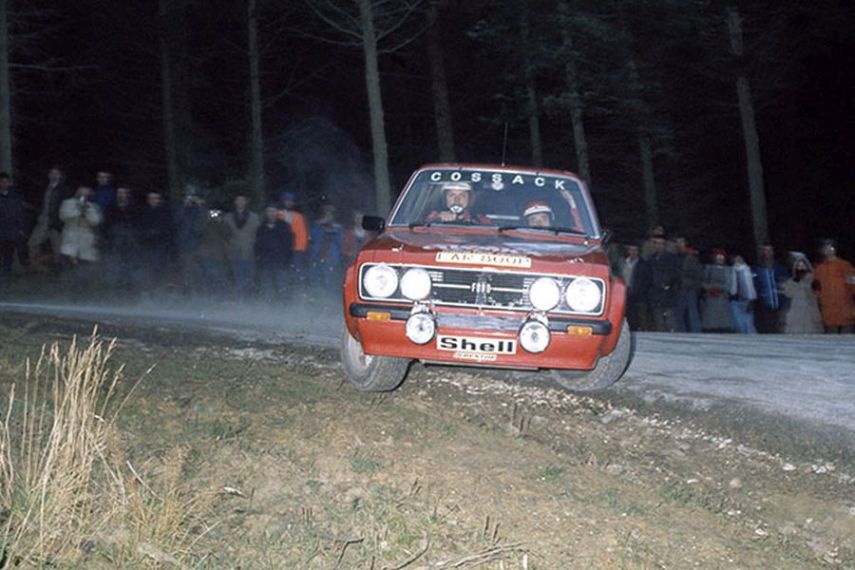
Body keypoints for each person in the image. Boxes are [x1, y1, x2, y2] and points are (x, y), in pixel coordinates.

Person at [27, 166, 70, 268]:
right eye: (52, 173)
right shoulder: (43, 188)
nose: (54, 175)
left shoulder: (64, 189)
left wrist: (62, 222)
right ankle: (36, 265)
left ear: (60, 176)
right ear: (48, 175)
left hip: (57, 223)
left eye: (56, 173)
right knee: (32, 243)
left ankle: (60, 271)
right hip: (43, 220)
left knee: (58, 249)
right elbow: (39, 203)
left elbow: (66, 207)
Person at [813, 239, 855, 333]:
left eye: (831, 247)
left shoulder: (845, 266)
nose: (829, 250)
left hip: (845, 309)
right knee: (831, 341)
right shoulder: (819, 269)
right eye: (826, 247)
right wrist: (821, 297)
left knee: (848, 341)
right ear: (822, 250)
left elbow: (853, 284)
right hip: (828, 311)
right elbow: (816, 287)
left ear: (835, 249)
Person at [103, 186, 140, 290]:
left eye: (123, 192)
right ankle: (116, 286)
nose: (121, 195)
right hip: (115, 241)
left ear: (127, 194)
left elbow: (138, 223)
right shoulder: (111, 207)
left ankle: (131, 286)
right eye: (119, 192)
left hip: (131, 242)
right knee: (116, 264)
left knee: (131, 265)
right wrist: (109, 235)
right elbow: (107, 224)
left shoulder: (134, 207)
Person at [137, 191, 174, 289]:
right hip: (147, 245)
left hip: (161, 246)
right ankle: (149, 289)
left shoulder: (164, 212)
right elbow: (140, 228)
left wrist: (158, 233)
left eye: (155, 198)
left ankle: (160, 288)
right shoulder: (143, 212)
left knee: (161, 268)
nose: (153, 200)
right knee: (148, 268)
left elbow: (168, 228)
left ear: (159, 200)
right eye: (151, 198)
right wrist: (147, 234)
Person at [255, 205, 292, 300]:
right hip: (266, 262)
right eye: (269, 211)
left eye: (273, 211)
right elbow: (258, 245)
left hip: (281, 262)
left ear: (277, 213)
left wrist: (285, 258)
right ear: (266, 213)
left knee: (282, 287)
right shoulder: (261, 228)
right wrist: (259, 258)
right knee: (267, 288)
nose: (271, 214)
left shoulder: (284, 226)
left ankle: (284, 308)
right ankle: (268, 309)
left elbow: (288, 244)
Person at [224, 194, 260, 295]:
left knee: (250, 275)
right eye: (238, 200)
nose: (240, 202)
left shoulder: (254, 217)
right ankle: (239, 297)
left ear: (246, 202)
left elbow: (258, 234)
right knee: (237, 276)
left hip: (249, 251)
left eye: (242, 200)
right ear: (235, 202)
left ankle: (250, 297)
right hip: (234, 251)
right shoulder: (228, 217)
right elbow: (224, 235)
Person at [780, 252, 823, 334]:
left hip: (810, 311)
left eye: (803, 265)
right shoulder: (792, 281)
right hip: (796, 311)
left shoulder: (813, 279)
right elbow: (787, 293)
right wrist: (794, 282)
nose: (801, 268)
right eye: (799, 266)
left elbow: (817, 292)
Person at [59, 186, 103, 264]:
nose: (83, 197)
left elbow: (96, 221)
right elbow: (64, 216)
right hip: (70, 243)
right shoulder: (68, 203)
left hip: (86, 245)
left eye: (86, 195)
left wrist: (87, 210)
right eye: (81, 194)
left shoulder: (92, 206)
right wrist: (79, 210)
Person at [647, 234, 681, 332]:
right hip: (655, 291)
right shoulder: (651, 259)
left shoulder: (671, 258)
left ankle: (672, 332)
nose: (659, 246)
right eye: (656, 243)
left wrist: (668, 283)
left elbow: (675, 273)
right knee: (658, 317)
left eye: (661, 244)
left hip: (667, 291)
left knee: (670, 316)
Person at [752, 244, 787, 333]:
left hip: (780, 303)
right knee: (767, 328)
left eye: (770, 250)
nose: (767, 253)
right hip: (763, 305)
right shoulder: (757, 269)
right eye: (765, 250)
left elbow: (786, 284)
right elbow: (755, 287)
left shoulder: (780, 268)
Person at [308, 202, 343, 290]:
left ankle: (328, 298)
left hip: (330, 258)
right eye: (326, 214)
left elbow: (341, 243)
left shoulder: (338, 228)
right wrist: (322, 226)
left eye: (330, 214)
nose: (328, 216)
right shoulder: (316, 225)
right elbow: (312, 237)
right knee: (314, 281)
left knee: (329, 281)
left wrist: (333, 231)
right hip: (316, 256)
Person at [277, 192, 309, 286]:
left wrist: (304, 247)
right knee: (283, 271)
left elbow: (303, 233)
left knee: (297, 272)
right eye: (287, 201)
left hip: (298, 249)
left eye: (291, 201)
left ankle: (297, 292)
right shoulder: (278, 214)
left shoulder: (299, 216)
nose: (289, 203)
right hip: (283, 249)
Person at [674, 236, 703, 333]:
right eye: (677, 242)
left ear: (685, 243)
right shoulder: (674, 256)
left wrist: (697, 287)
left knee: (693, 313)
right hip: (678, 288)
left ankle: (696, 332)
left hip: (690, 288)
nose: (679, 244)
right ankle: (681, 333)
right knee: (679, 314)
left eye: (681, 242)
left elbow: (698, 273)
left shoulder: (692, 257)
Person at [701, 249, 734, 332]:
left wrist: (722, 289)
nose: (720, 259)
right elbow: (703, 282)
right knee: (711, 316)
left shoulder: (728, 269)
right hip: (711, 296)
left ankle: (724, 328)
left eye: (721, 257)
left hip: (723, 296)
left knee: (723, 316)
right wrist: (710, 288)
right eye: (718, 257)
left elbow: (730, 283)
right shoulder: (709, 268)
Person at [0, 172, 25, 278]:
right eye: (2, 182)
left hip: (11, 229)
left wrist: (21, 228)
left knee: (9, 253)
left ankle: (6, 273)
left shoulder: (16, 196)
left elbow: (19, 213)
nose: (4, 184)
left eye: (6, 182)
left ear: (10, 183)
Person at [623, 243, 653, 331]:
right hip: (626, 291)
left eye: (635, 250)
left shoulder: (643, 264)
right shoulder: (623, 262)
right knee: (628, 313)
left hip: (639, 292)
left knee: (641, 313)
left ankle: (644, 330)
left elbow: (648, 279)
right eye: (631, 250)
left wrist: (642, 289)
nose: (633, 252)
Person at [729, 254, 757, 334]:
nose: (738, 261)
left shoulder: (750, 270)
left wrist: (752, 298)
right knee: (738, 323)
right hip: (735, 299)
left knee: (748, 323)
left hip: (747, 299)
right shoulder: (731, 270)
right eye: (736, 259)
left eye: (739, 259)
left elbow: (754, 285)